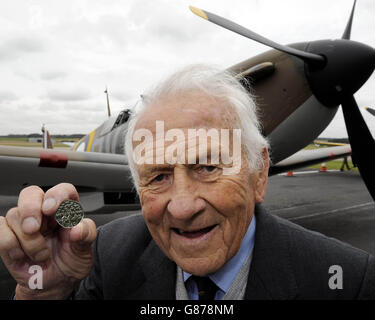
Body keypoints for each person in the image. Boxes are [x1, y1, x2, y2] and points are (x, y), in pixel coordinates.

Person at [0, 65, 374, 300]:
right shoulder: (108, 255)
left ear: (260, 173)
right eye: (158, 176)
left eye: (208, 168)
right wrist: (43, 292)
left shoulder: (351, 283)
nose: (181, 206)